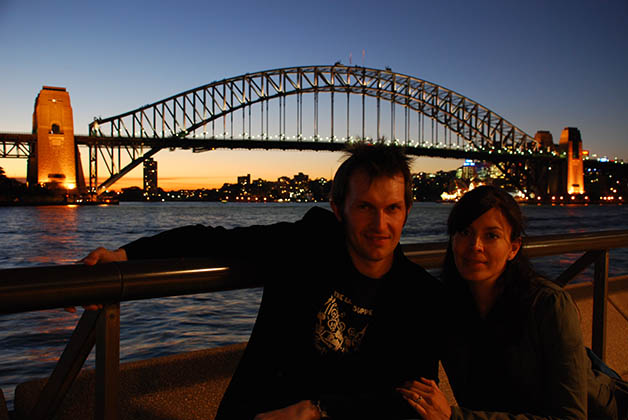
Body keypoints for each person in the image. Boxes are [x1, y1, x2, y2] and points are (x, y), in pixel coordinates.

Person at [82, 143, 443, 420]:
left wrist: (318, 410)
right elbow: (212, 240)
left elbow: (415, 400)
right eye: (365, 207)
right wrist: (124, 256)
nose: (380, 225)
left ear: (407, 211)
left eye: (392, 208)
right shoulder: (305, 245)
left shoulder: (419, 294)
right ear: (338, 209)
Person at [397, 185, 627, 420]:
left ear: (513, 248)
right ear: (452, 239)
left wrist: (455, 417)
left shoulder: (549, 305)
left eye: (491, 235)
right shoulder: (444, 308)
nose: (475, 245)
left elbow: (571, 417)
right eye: (465, 232)